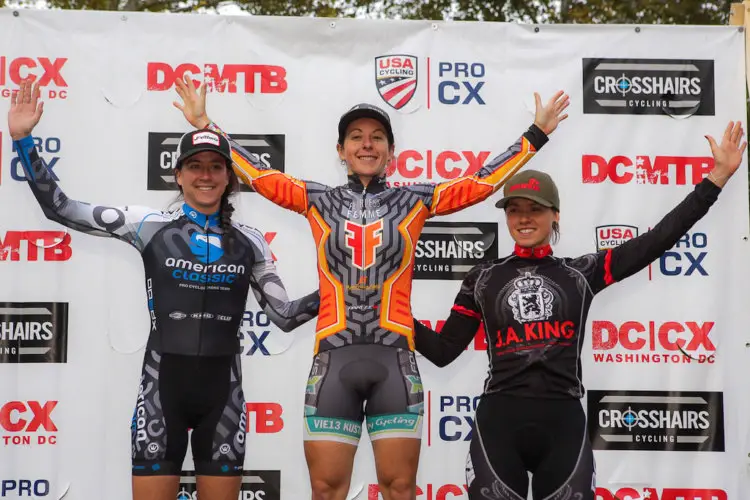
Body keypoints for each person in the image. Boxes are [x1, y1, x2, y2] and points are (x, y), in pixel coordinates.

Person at [173, 75, 569, 500]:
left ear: (391, 153)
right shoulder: (316, 198)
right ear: (340, 150)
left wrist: (536, 134)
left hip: (395, 361)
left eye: (378, 137)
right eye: (356, 137)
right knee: (325, 490)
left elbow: (483, 183)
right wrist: (205, 123)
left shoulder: (416, 198)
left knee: (399, 488)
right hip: (333, 360)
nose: (367, 144)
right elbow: (256, 171)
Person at [8, 79, 320, 500]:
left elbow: (284, 316)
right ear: (178, 174)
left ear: (229, 176)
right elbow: (61, 208)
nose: (205, 175)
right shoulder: (148, 224)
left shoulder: (252, 240)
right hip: (161, 393)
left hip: (223, 398)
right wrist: (24, 140)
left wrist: (339, 288)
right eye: (195, 166)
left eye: (215, 166)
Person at [411, 121, 746, 500]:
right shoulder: (482, 278)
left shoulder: (581, 273)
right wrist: (392, 312)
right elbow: (442, 352)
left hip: (564, 424)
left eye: (535, 209)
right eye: (515, 209)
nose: (524, 218)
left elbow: (657, 240)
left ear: (555, 215)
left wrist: (715, 180)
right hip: (499, 423)